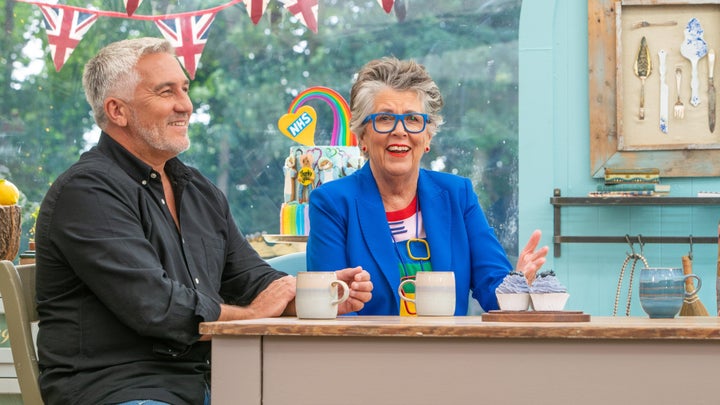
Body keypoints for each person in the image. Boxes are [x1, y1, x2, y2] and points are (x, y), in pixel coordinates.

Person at [33, 37, 372, 405]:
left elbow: (250, 280)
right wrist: (255, 313)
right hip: (121, 391)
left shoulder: (196, 190)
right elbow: (158, 309)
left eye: (185, 89)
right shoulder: (87, 192)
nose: (186, 105)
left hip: (213, 384)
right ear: (117, 111)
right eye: (166, 92)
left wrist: (312, 296)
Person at [307, 57, 546, 316]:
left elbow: (492, 292)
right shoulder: (331, 203)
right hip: (369, 352)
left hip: (449, 351)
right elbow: (330, 310)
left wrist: (516, 284)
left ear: (428, 136)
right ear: (362, 136)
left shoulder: (459, 195)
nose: (400, 131)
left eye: (412, 119)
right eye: (385, 119)